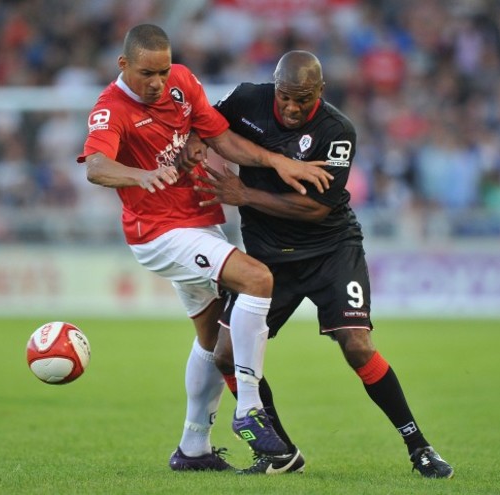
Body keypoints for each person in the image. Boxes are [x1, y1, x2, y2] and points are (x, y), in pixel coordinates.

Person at [77, 25, 334, 471]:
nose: (157, 82)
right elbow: (96, 167)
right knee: (257, 278)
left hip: (198, 222)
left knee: (214, 340)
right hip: (158, 232)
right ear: (123, 66)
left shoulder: (181, 81)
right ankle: (249, 409)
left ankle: (192, 448)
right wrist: (139, 176)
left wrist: (277, 160)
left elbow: (222, 138)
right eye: (146, 73)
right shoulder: (109, 109)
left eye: (162, 70)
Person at [188, 50, 454, 478]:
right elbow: (204, 126)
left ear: (321, 92)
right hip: (267, 261)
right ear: (274, 87)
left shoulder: (337, 130)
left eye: (304, 99)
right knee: (225, 355)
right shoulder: (244, 100)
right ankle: (279, 452)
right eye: (286, 97)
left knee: (357, 344)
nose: (293, 108)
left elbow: (315, 209)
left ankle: (419, 447)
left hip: (330, 250)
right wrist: (198, 144)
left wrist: (246, 195)